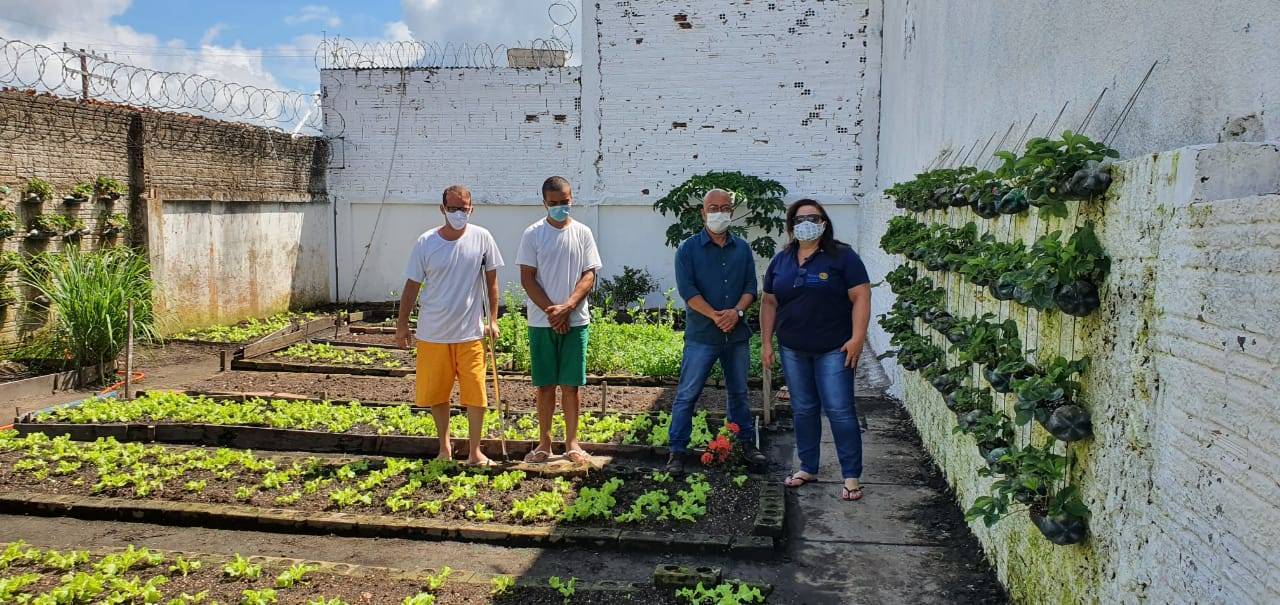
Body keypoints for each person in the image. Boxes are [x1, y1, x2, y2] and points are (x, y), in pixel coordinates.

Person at [761, 199, 871, 501]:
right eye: (799, 218)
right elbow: (769, 302)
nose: (806, 222)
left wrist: (858, 338)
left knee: (839, 410)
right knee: (804, 409)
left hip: (834, 349)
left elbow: (861, 296)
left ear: (824, 223)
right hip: (793, 349)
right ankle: (808, 466)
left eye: (813, 217)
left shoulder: (843, 257)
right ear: (791, 225)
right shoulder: (781, 260)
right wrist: (768, 343)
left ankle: (851, 476)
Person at [395, 184, 504, 466]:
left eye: (463, 208)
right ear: (442, 209)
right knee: (437, 393)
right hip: (433, 333)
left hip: (470, 332)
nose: (459, 213)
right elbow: (412, 285)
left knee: (476, 392)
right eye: (453, 208)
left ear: (472, 209)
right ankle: (444, 448)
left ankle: (475, 451)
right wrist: (402, 324)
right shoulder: (426, 242)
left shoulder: (483, 238)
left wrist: (492, 319)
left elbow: (491, 281)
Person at [664, 189, 768, 473]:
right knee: (688, 393)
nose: (719, 213)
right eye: (713, 208)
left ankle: (745, 443)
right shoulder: (687, 249)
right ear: (703, 212)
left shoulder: (743, 249)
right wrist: (716, 316)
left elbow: (750, 288)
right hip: (702, 336)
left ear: (731, 212)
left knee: (739, 393)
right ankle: (677, 451)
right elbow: (688, 291)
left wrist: (736, 313)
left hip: (736, 336)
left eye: (724, 208)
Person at [517, 176, 603, 464]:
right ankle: (544, 443)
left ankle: (572, 443)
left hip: (576, 321)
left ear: (572, 198)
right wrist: (553, 312)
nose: (560, 207)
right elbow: (527, 279)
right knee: (544, 386)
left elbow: (589, 275)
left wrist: (568, 307)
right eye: (553, 203)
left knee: (571, 385)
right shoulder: (533, 234)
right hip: (542, 323)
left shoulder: (583, 233)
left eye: (564, 202)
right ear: (544, 203)